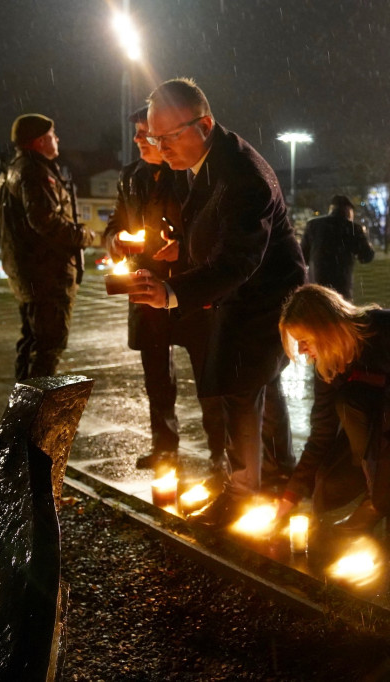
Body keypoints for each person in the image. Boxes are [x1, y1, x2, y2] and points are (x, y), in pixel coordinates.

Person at [128, 78, 305, 526]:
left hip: (264, 297)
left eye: (167, 137)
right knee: (257, 386)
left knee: (238, 386)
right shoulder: (209, 157)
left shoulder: (244, 177)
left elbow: (238, 261)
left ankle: (244, 491)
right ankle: (279, 473)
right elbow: (212, 225)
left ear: (203, 124)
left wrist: (173, 292)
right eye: (153, 137)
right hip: (244, 293)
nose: (159, 147)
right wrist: (183, 250)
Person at [103, 106, 226, 471]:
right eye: (138, 133)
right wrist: (118, 240)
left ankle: (221, 452)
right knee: (156, 374)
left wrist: (184, 248)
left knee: (209, 375)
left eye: (145, 132)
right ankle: (164, 446)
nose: (139, 139)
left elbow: (214, 227)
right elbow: (113, 225)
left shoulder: (189, 174)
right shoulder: (131, 177)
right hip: (144, 288)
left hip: (189, 289)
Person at [274, 285, 390, 535]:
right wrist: (292, 492)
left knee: (385, 501)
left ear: (325, 328)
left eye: (304, 341)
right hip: (375, 431)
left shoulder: (389, 327)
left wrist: (381, 382)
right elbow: (322, 430)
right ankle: (378, 488)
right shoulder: (328, 364)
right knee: (325, 487)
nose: (302, 351)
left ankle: (383, 501)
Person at [0, 114, 96, 380]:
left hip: (28, 274)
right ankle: (36, 418)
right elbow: (45, 221)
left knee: (31, 344)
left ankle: (21, 414)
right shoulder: (34, 172)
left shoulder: (10, 172)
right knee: (48, 348)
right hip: (47, 275)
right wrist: (84, 235)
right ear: (40, 141)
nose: (57, 139)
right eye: (53, 135)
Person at [300, 195, 375, 300]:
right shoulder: (353, 228)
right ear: (349, 210)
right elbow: (367, 256)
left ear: (332, 209)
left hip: (316, 288)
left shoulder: (313, 225)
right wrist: (365, 237)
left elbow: (302, 257)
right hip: (341, 289)